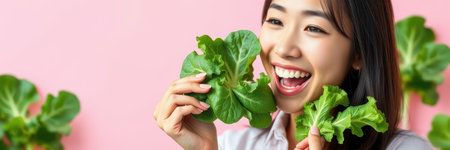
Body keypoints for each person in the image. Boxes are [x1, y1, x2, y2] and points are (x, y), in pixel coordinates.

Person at [153, 0, 434, 149]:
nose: (285, 48)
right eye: (275, 21)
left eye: (314, 28)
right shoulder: (231, 147)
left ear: (358, 53)